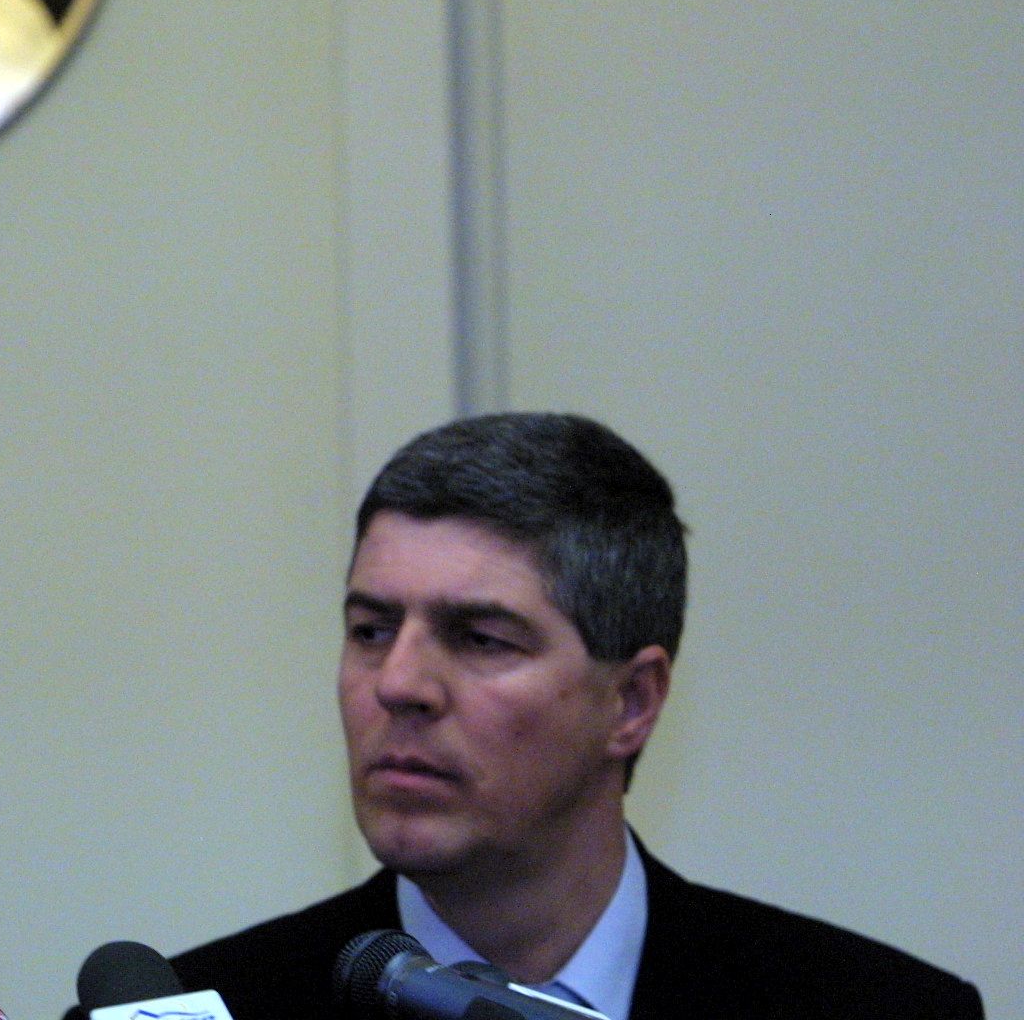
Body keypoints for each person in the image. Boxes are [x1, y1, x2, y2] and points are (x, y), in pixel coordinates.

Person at [169, 413, 981, 1019]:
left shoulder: (878, 1007)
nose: (399, 683)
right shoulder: (210, 1007)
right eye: (371, 630)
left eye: (481, 638)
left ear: (632, 702)